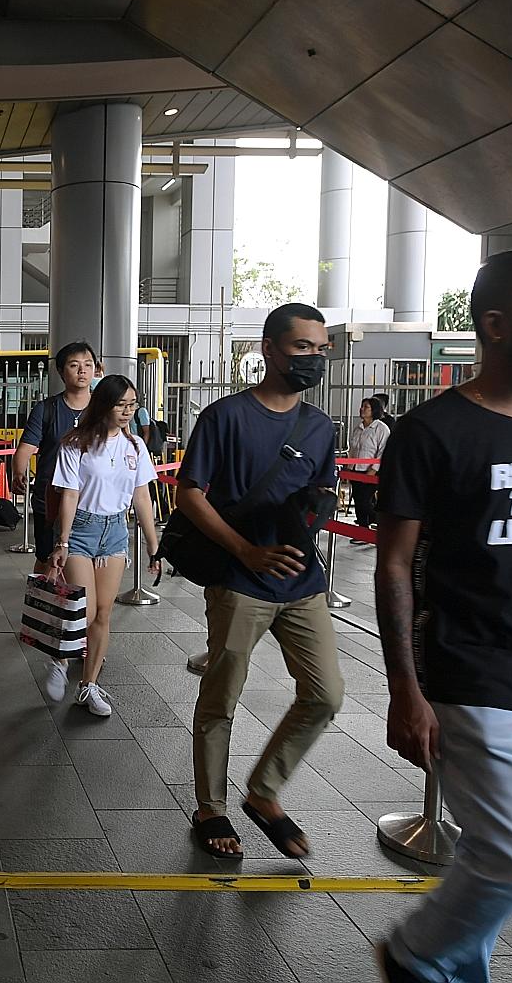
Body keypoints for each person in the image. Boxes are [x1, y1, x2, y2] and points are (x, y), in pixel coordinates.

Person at [374, 249, 512, 983]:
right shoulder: (431, 433)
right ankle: (411, 954)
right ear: (496, 325)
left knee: (481, 855)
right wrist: (405, 689)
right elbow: (395, 563)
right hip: (466, 675)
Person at [176, 302, 344, 859]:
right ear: (269, 349)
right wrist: (245, 550)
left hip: (300, 582)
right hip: (239, 578)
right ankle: (211, 808)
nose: (314, 359)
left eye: (322, 350)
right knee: (221, 696)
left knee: (325, 694)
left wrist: (316, 510)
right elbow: (190, 493)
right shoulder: (224, 418)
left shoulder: (319, 427)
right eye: (303, 348)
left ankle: (264, 792)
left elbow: (323, 491)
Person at [46, 375, 161, 716]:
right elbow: (69, 493)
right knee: (86, 608)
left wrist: (154, 546)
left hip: (115, 531)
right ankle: (61, 655)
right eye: (121, 404)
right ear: (103, 404)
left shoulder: (135, 447)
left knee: (104, 614)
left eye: (133, 405)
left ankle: (89, 686)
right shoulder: (75, 443)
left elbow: (142, 497)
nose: (128, 411)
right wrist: (63, 541)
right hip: (81, 528)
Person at [12, 341, 99, 701]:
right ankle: (51, 622)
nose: (82, 370)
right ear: (61, 371)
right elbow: (27, 447)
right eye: (74, 365)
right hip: (52, 500)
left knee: (79, 572)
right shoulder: (48, 409)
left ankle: (69, 632)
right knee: (51, 562)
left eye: (88, 364)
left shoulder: (104, 408)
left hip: (93, 506)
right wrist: (20, 468)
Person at [347, 396, 391, 543]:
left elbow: (383, 451)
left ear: (374, 410)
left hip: (371, 472)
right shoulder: (358, 428)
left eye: (366, 407)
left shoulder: (381, 429)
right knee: (359, 500)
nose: (362, 409)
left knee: (364, 501)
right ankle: (363, 529)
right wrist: (348, 468)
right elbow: (353, 449)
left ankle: (375, 524)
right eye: (362, 406)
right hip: (356, 470)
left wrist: (373, 469)